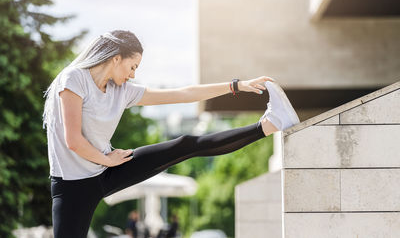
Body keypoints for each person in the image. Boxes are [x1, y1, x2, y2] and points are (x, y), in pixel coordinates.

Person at [43, 30, 300, 238]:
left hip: (107, 169)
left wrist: (237, 85)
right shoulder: (74, 79)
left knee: (185, 144)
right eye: (132, 67)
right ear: (116, 58)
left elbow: (184, 93)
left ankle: (269, 124)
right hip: (73, 186)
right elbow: (73, 141)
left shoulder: (122, 91)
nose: (133, 75)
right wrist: (108, 159)